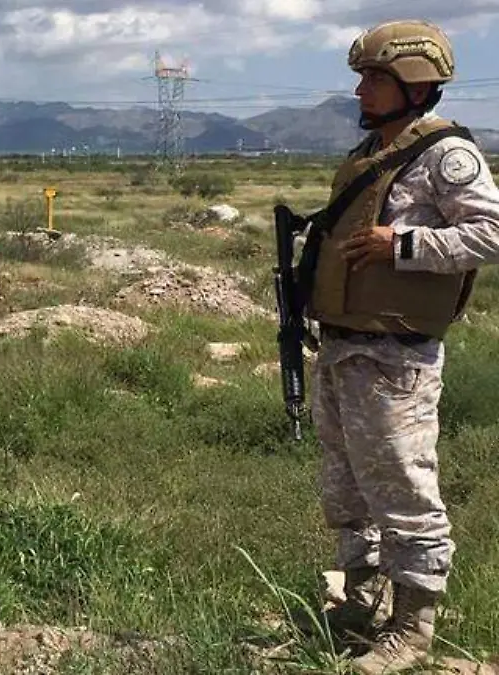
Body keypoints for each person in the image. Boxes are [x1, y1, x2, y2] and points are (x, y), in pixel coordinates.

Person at [305, 19, 499, 673]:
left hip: (395, 357)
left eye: (373, 78)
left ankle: (413, 629)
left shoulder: (445, 154)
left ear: (414, 86)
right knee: (347, 489)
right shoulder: (370, 151)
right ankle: (360, 602)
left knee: (404, 492)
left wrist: (405, 245)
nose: (360, 90)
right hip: (343, 348)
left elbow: (492, 233)